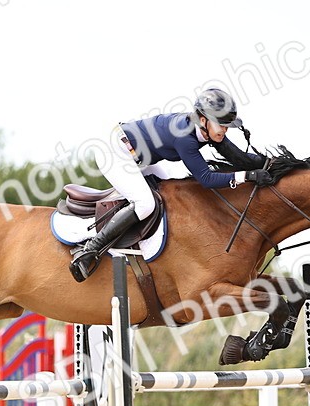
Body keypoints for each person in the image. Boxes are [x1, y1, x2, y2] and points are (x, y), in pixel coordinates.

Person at [69, 87, 275, 282]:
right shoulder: (185, 137)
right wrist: (247, 176)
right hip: (115, 151)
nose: (224, 131)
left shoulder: (206, 130)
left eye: (226, 126)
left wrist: (272, 164)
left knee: (170, 192)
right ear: (203, 120)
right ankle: (89, 250)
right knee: (145, 204)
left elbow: (237, 156)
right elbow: (206, 179)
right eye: (221, 124)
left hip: (139, 156)